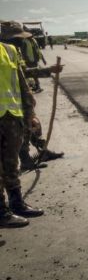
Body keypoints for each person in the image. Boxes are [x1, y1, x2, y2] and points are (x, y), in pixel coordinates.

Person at [0, 22, 63, 228]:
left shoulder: (9, 51)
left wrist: (30, 113)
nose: (17, 41)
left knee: (10, 163)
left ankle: (16, 203)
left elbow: (22, 80)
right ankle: (1, 211)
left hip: (11, 116)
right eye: (14, 38)